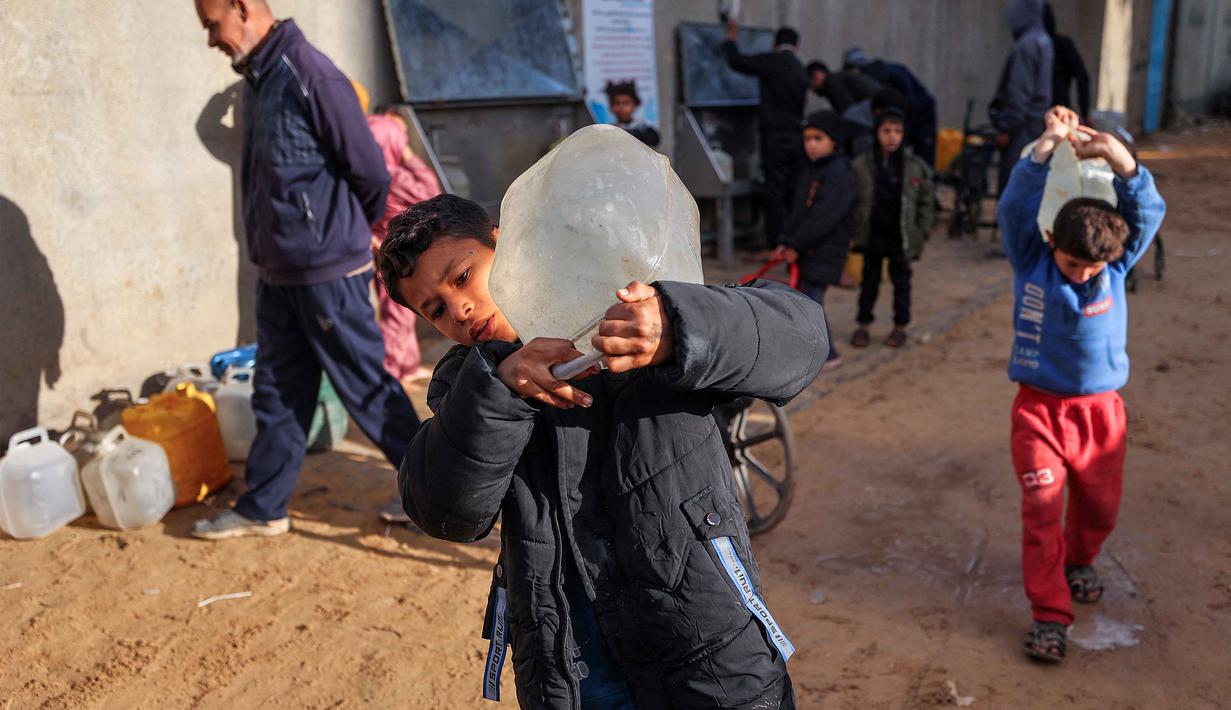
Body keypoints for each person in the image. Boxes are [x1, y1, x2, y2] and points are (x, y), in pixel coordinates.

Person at [376, 194, 827, 708]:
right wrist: (498, 393)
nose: (459, 309)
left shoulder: (629, 310)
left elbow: (802, 337)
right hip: (574, 669)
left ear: (504, 243)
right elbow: (445, 512)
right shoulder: (466, 384)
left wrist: (680, 329)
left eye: (462, 277)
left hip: (707, 647)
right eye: (435, 309)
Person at [190, 0, 421, 538]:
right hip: (279, 272)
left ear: (242, 8)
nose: (210, 40)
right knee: (277, 391)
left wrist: (335, 239)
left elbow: (369, 171)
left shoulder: (308, 72)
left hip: (325, 272)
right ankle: (264, 506)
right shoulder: (261, 77)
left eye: (211, 25)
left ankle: (437, 494)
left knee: (365, 386)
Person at [996, 105, 1165, 662]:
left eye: (1092, 268)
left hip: (1101, 417)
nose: (1083, 274)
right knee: (1042, 511)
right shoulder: (1032, 259)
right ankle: (1049, 615)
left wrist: (1118, 157)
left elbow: (1146, 210)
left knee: (1098, 509)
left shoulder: (1113, 266)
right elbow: (1015, 206)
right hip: (1038, 413)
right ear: (1052, 242)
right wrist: (1047, 143)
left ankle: (1081, 560)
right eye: (1073, 265)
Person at [366, 109, 442, 385]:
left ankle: (406, 365)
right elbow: (430, 189)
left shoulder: (362, 175)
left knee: (400, 307)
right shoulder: (395, 177)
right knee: (397, 312)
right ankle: (391, 371)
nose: (404, 139)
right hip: (403, 249)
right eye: (400, 135)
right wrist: (409, 154)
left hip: (380, 247)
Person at [849, 108, 935, 349]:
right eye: (886, 131)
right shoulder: (861, 165)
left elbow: (927, 202)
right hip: (872, 235)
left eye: (898, 131)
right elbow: (852, 202)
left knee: (902, 284)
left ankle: (900, 327)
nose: (892, 137)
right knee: (869, 283)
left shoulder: (915, 167)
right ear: (876, 133)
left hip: (901, 237)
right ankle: (863, 325)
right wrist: (853, 233)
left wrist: (921, 233)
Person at [775, 110, 854, 372]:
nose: (811, 144)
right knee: (805, 300)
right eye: (807, 138)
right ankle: (818, 351)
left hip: (823, 251)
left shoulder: (838, 174)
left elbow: (824, 217)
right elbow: (799, 211)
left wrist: (797, 246)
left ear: (834, 141)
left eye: (818, 138)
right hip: (807, 251)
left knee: (810, 303)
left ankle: (827, 353)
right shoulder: (812, 171)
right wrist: (787, 241)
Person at [722, 20, 809, 246]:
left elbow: (737, 61)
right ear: (796, 47)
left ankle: (773, 244)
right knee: (792, 189)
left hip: (775, 137)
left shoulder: (772, 62)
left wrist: (730, 40)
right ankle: (791, 242)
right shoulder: (800, 68)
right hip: (797, 136)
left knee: (774, 190)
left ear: (774, 44)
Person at [989, 0, 1054, 198]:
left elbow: (1019, 93)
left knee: (1014, 190)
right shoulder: (1043, 41)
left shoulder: (1026, 46)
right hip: (1035, 127)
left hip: (1021, 130)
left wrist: (1006, 127)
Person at [842, 47, 938, 167]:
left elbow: (909, 100)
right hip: (915, 109)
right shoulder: (883, 71)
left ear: (854, 69)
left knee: (923, 151)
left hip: (921, 112)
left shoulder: (872, 76)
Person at [1043, 2, 1091, 121]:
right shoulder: (1061, 45)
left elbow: (1082, 77)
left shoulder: (1061, 46)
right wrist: (1085, 111)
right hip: (1057, 113)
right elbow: (1082, 76)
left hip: (1054, 112)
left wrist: (1085, 110)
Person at [604, 80, 660, 148]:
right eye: (617, 103)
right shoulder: (607, 130)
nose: (621, 107)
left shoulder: (643, 128)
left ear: (636, 105)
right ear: (611, 106)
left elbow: (654, 140)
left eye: (626, 103)